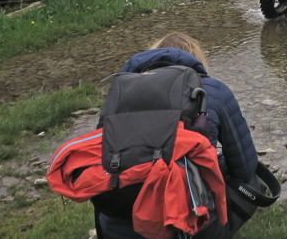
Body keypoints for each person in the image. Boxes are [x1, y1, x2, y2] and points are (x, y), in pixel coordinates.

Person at [95, 32, 259, 239]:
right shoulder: (212, 92)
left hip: (117, 221)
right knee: (253, 180)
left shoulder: (119, 95)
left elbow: (101, 159)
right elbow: (245, 168)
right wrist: (214, 165)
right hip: (187, 225)